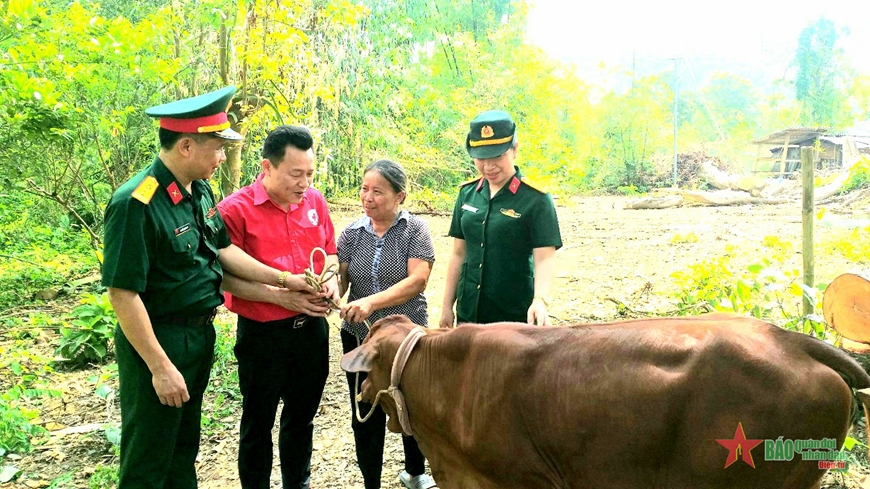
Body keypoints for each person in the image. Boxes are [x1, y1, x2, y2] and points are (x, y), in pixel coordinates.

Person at [102, 86, 316, 489]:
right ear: (186, 146)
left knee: (183, 449)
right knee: (149, 456)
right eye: (217, 148)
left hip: (197, 337)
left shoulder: (197, 190)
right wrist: (160, 366)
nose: (223, 156)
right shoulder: (135, 202)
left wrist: (285, 279)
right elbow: (122, 294)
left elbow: (221, 252)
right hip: (160, 339)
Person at [218, 125, 340, 489]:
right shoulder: (235, 210)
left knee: (301, 419)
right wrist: (280, 293)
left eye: (310, 174)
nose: (304, 184)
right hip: (263, 335)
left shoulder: (315, 201)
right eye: (295, 174)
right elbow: (223, 276)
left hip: (311, 333)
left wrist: (331, 278)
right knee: (258, 421)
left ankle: (296, 484)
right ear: (267, 167)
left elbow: (330, 251)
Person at [337, 159, 438, 489]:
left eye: (377, 191)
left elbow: (417, 280)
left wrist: (370, 302)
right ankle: (371, 482)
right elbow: (340, 278)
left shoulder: (415, 231)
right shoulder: (351, 233)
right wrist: (331, 294)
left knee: (411, 403)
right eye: (364, 189)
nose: (368, 198)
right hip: (360, 337)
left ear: (400, 196)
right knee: (365, 406)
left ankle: (415, 472)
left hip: (406, 338)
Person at [440, 110, 562, 328]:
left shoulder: (536, 199)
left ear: (514, 150)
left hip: (513, 315)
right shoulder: (467, 194)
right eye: (481, 158)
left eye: (497, 157)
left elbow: (545, 257)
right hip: (469, 313)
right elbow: (459, 253)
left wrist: (540, 301)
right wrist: (447, 307)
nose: (488, 166)